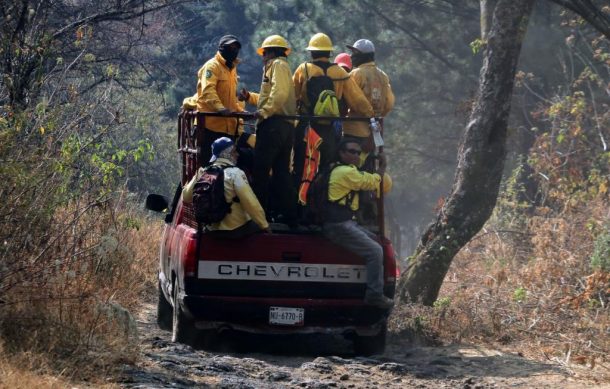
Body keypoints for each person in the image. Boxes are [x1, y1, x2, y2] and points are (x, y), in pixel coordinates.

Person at [321, 139, 393, 309]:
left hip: (344, 223)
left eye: (358, 152)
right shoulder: (345, 172)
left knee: (377, 242)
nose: (356, 155)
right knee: (375, 251)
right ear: (341, 153)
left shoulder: (343, 170)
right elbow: (371, 182)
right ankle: (374, 295)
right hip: (338, 225)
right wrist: (382, 167)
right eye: (351, 151)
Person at [292, 33, 374, 182]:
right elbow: (358, 101)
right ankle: (322, 200)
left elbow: (291, 97)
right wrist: (371, 115)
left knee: (300, 167)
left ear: (311, 52)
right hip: (328, 129)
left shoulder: (303, 69)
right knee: (328, 169)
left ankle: (299, 202)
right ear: (329, 53)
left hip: (306, 127)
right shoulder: (340, 72)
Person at [238, 35, 298, 225]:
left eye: (264, 52)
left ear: (271, 52)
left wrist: (263, 112)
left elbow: (278, 95)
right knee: (281, 173)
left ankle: (259, 215)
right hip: (283, 126)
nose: (262, 56)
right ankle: (290, 214)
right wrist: (250, 98)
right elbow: (270, 96)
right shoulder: (278, 68)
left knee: (261, 172)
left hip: (273, 125)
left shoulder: (278, 66)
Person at [183, 137, 271, 239]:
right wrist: (264, 225)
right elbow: (250, 202)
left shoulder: (203, 172)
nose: (237, 155)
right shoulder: (235, 174)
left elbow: (186, 196)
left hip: (211, 229)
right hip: (235, 229)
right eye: (234, 152)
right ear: (226, 153)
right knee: (258, 227)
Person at [182, 35, 245, 163]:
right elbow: (208, 91)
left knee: (227, 165)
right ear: (222, 48)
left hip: (228, 129)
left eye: (236, 48)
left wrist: (241, 112)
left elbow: (230, 98)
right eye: (230, 47)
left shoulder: (232, 69)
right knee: (206, 165)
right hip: (209, 128)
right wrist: (220, 108)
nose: (234, 51)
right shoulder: (211, 66)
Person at [343, 39, 395, 154]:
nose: (351, 57)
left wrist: (368, 113)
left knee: (351, 167)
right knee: (368, 168)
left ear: (361, 56)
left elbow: (354, 100)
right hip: (373, 134)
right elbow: (389, 103)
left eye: (354, 54)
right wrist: (376, 116)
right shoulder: (383, 75)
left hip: (353, 131)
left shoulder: (355, 74)